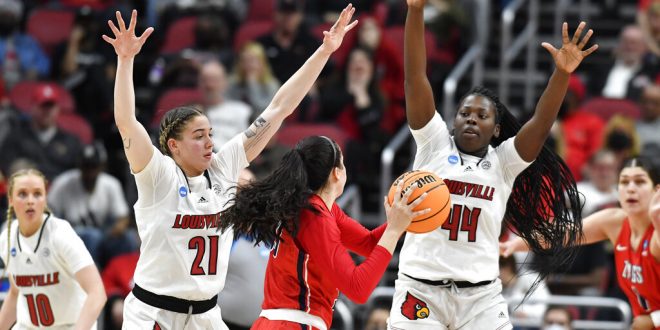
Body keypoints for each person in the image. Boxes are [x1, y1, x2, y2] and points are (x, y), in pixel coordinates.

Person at [101, 6, 358, 328]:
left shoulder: (224, 168)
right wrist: (125, 61)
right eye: (198, 136)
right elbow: (126, 123)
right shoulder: (157, 175)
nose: (210, 142)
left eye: (210, 134)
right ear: (173, 146)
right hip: (155, 314)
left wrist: (324, 51)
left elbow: (278, 109)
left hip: (206, 314)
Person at [389, 1, 596, 328]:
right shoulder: (433, 144)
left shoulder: (504, 163)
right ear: (453, 121)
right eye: (464, 113)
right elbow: (415, 78)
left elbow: (541, 124)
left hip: (480, 297)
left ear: (496, 129)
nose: (471, 119)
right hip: (420, 290)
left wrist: (561, 73)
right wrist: (415, 11)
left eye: (481, 115)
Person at [218, 135, 429, 330]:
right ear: (337, 173)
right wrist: (393, 229)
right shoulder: (315, 217)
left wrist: (402, 220)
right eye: (343, 163)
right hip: (294, 324)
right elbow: (359, 288)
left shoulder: (318, 209)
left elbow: (369, 244)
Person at [502, 157, 660, 329]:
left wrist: (653, 320)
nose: (630, 189)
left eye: (639, 182)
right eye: (624, 182)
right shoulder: (614, 222)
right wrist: (513, 245)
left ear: (656, 190)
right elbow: (562, 234)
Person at [0, 169, 106, 328]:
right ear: (11, 201)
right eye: (22, 194)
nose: (31, 200)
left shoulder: (60, 234)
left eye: (37, 194)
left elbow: (97, 293)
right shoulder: (7, 237)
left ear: (45, 200)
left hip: (71, 325)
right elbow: (15, 293)